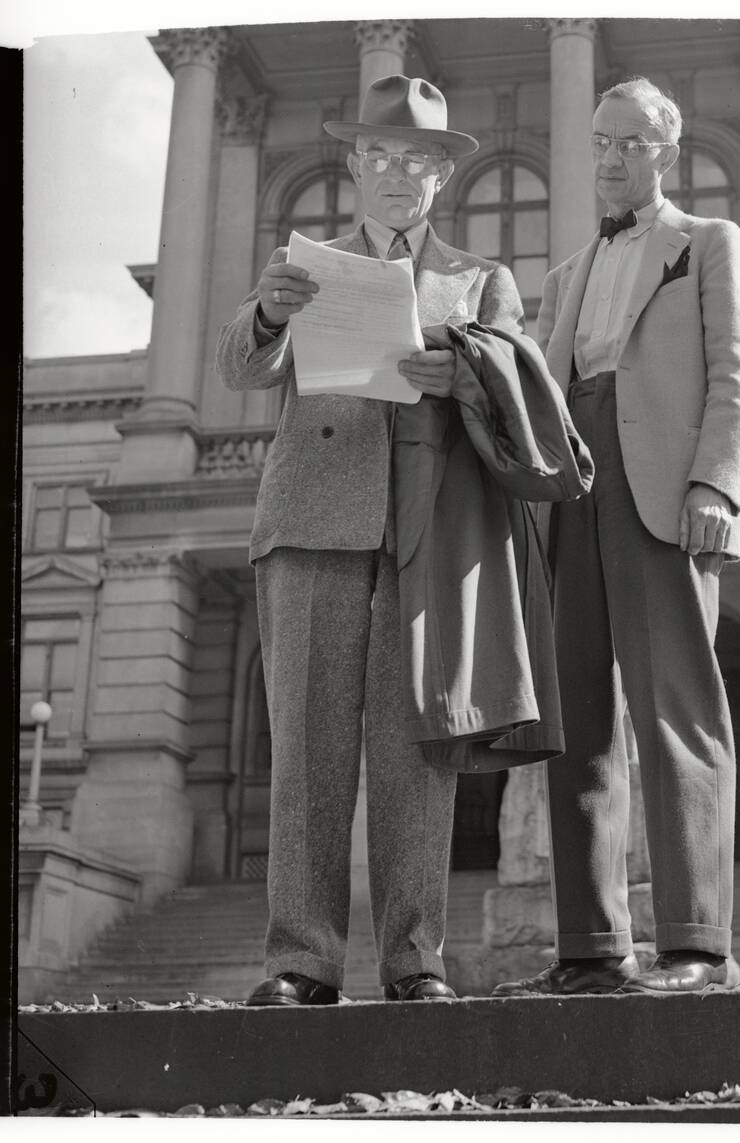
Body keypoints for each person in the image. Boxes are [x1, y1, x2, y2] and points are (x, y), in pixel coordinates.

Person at [217, 75, 530, 1007]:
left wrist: (463, 375)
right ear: (355, 165)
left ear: (441, 175)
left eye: (418, 159)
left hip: (424, 530)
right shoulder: (305, 262)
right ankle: (300, 961)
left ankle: (414, 959)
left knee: (415, 755)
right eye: (381, 155)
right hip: (312, 516)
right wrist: (269, 313)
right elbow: (241, 365)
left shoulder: (482, 279)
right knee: (307, 749)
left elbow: (517, 402)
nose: (398, 173)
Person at [494, 77, 740, 997]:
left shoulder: (709, 245)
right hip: (571, 483)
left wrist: (718, 486)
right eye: (601, 143)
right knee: (572, 719)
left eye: (632, 143)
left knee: (676, 707)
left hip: (663, 485)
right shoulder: (568, 273)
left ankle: (696, 944)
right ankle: (589, 948)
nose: (612, 159)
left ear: (667, 151)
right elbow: (537, 387)